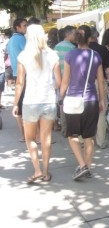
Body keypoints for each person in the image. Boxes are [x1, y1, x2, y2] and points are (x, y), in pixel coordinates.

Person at [12, 24, 61, 183]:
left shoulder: (23, 56)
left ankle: (37, 170)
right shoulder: (53, 54)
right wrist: (50, 87)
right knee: (46, 138)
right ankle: (46, 172)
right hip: (48, 100)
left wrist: (15, 104)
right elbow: (59, 82)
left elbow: (20, 83)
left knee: (30, 139)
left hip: (30, 102)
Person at [59, 25, 105, 180]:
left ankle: (82, 165)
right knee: (88, 137)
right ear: (90, 38)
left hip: (73, 100)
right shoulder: (96, 55)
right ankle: (87, 166)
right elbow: (101, 82)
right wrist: (102, 100)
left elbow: (65, 81)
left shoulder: (70, 55)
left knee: (72, 135)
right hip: (91, 100)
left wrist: (60, 96)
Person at [89, 27, 109, 149]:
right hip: (100, 82)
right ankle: (101, 140)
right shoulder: (102, 49)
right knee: (101, 110)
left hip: (84, 83)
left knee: (85, 111)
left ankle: (84, 140)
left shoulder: (78, 50)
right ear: (96, 36)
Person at [7, 18, 28, 141]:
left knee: (19, 104)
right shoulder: (21, 39)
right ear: (17, 27)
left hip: (16, 72)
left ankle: (23, 134)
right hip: (24, 73)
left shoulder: (11, 40)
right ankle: (28, 135)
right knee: (24, 105)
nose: (26, 28)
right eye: (24, 26)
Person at [54, 26, 76, 136]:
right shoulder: (73, 48)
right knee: (71, 104)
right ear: (68, 35)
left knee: (62, 104)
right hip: (70, 80)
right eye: (73, 34)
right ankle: (71, 128)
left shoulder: (56, 47)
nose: (75, 36)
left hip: (59, 80)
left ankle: (65, 128)